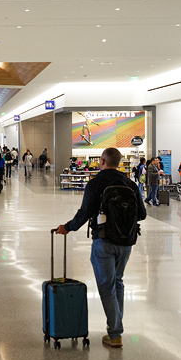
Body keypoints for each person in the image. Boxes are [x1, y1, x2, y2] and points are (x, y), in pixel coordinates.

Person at [56, 147, 147, 348]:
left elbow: (85, 212)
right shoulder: (130, 184)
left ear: (103, 161)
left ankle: (115, 333)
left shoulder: (96, 183)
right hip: (126, 243)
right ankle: (116, 328)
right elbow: (142, 214)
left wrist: (68, 228)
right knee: (118, 282)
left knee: (107, 286)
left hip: (104, 242)